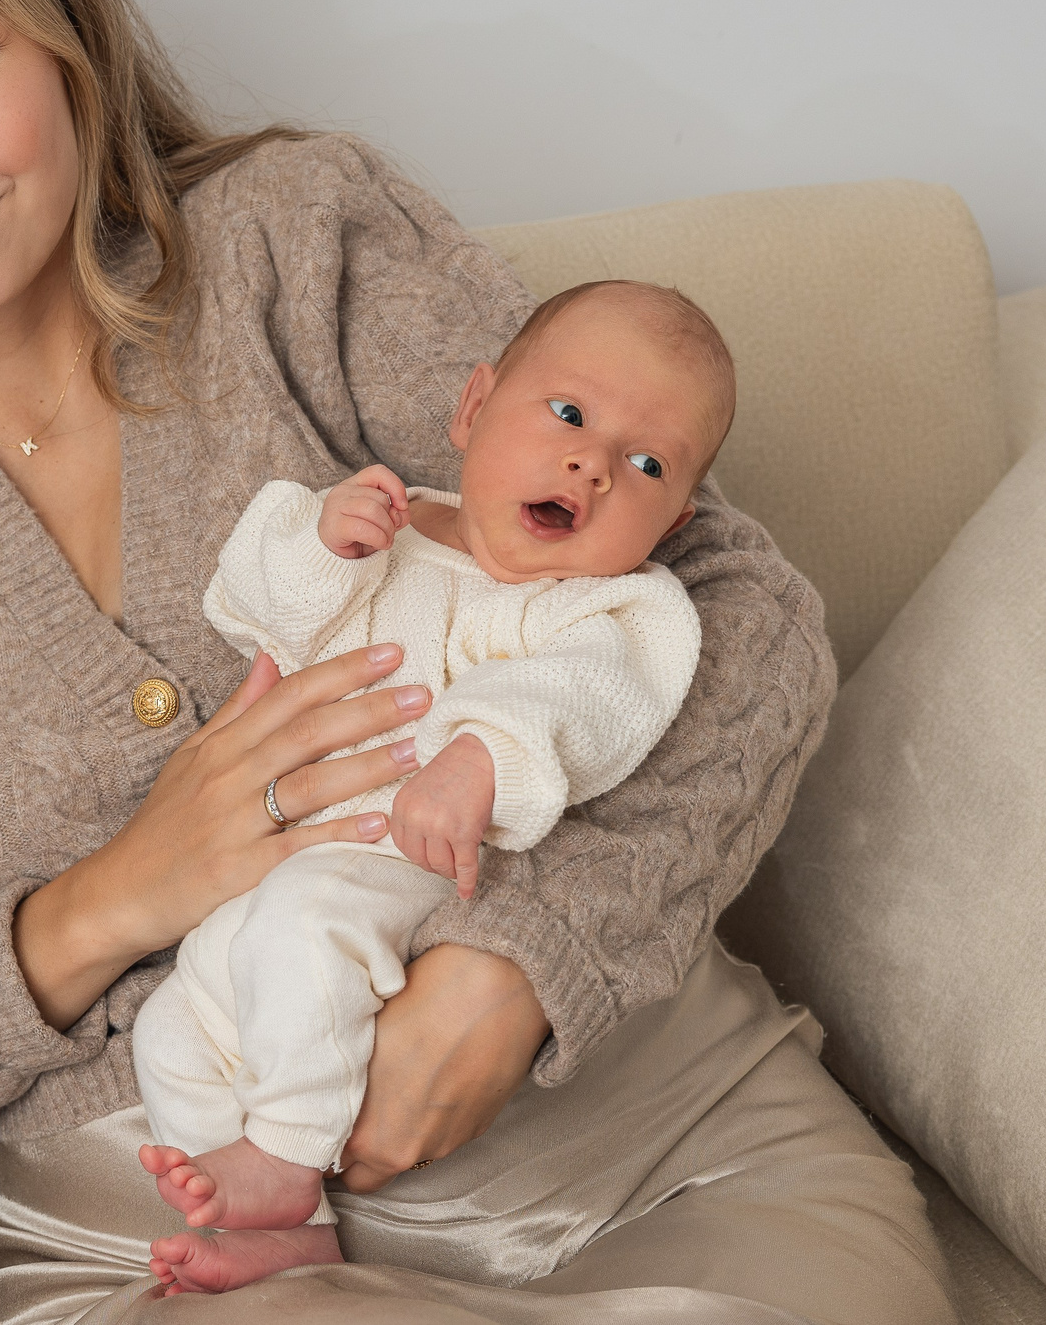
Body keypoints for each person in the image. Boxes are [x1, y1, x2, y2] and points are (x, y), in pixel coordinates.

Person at [0, 0, 956, 1323]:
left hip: (645, 1147)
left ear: (64, 40)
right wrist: (105, 900)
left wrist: (521, 962)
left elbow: (745, 619)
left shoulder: (298, 245)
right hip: (148, 1242)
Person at [133, 282, 729, 1291]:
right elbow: (256, 616)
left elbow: (585, 696)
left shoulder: (605, 609)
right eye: (571, 415)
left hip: (425, 871)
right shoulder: (387, 533)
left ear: (670, 525)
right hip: (293, 866)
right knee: (171, 1027)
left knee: (304, 917)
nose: (591, 463)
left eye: (645, 465)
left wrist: (479, 754)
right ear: (470, 411)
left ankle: (282, 1157)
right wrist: (319, 550)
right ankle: (289, 1228)